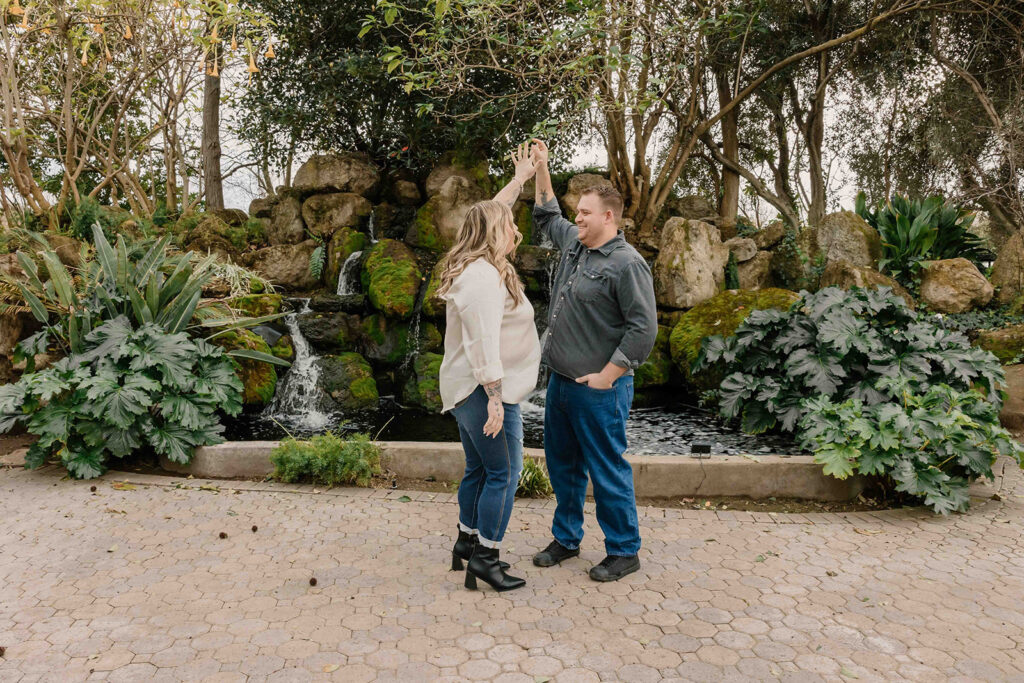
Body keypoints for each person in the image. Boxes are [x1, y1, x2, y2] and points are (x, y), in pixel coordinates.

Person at [529, 139, 658, 582]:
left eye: (584, 212)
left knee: (606, 469)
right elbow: (547, 215)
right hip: (561, 383)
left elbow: (644, 329)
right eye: (577, 212)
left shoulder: (628, 264)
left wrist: (608, 375)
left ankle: (624, 550)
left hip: (600, 389)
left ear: (608, 216)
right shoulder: (576, 244)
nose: (576, 218)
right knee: (563, 466)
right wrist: (541, 168)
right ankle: (566, 539)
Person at [437, 143, 541, 592]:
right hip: (486, 391)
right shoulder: (481, 277)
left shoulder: (477, 263)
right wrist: (496, 396)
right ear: (494, 233)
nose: (514, 227)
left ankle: (466, 541)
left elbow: (493, 209)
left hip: (469, 388)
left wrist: (520, 179)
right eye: (510, 225)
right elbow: (483, 339)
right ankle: (487, 558)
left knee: (479, 470)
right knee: (504, 474)